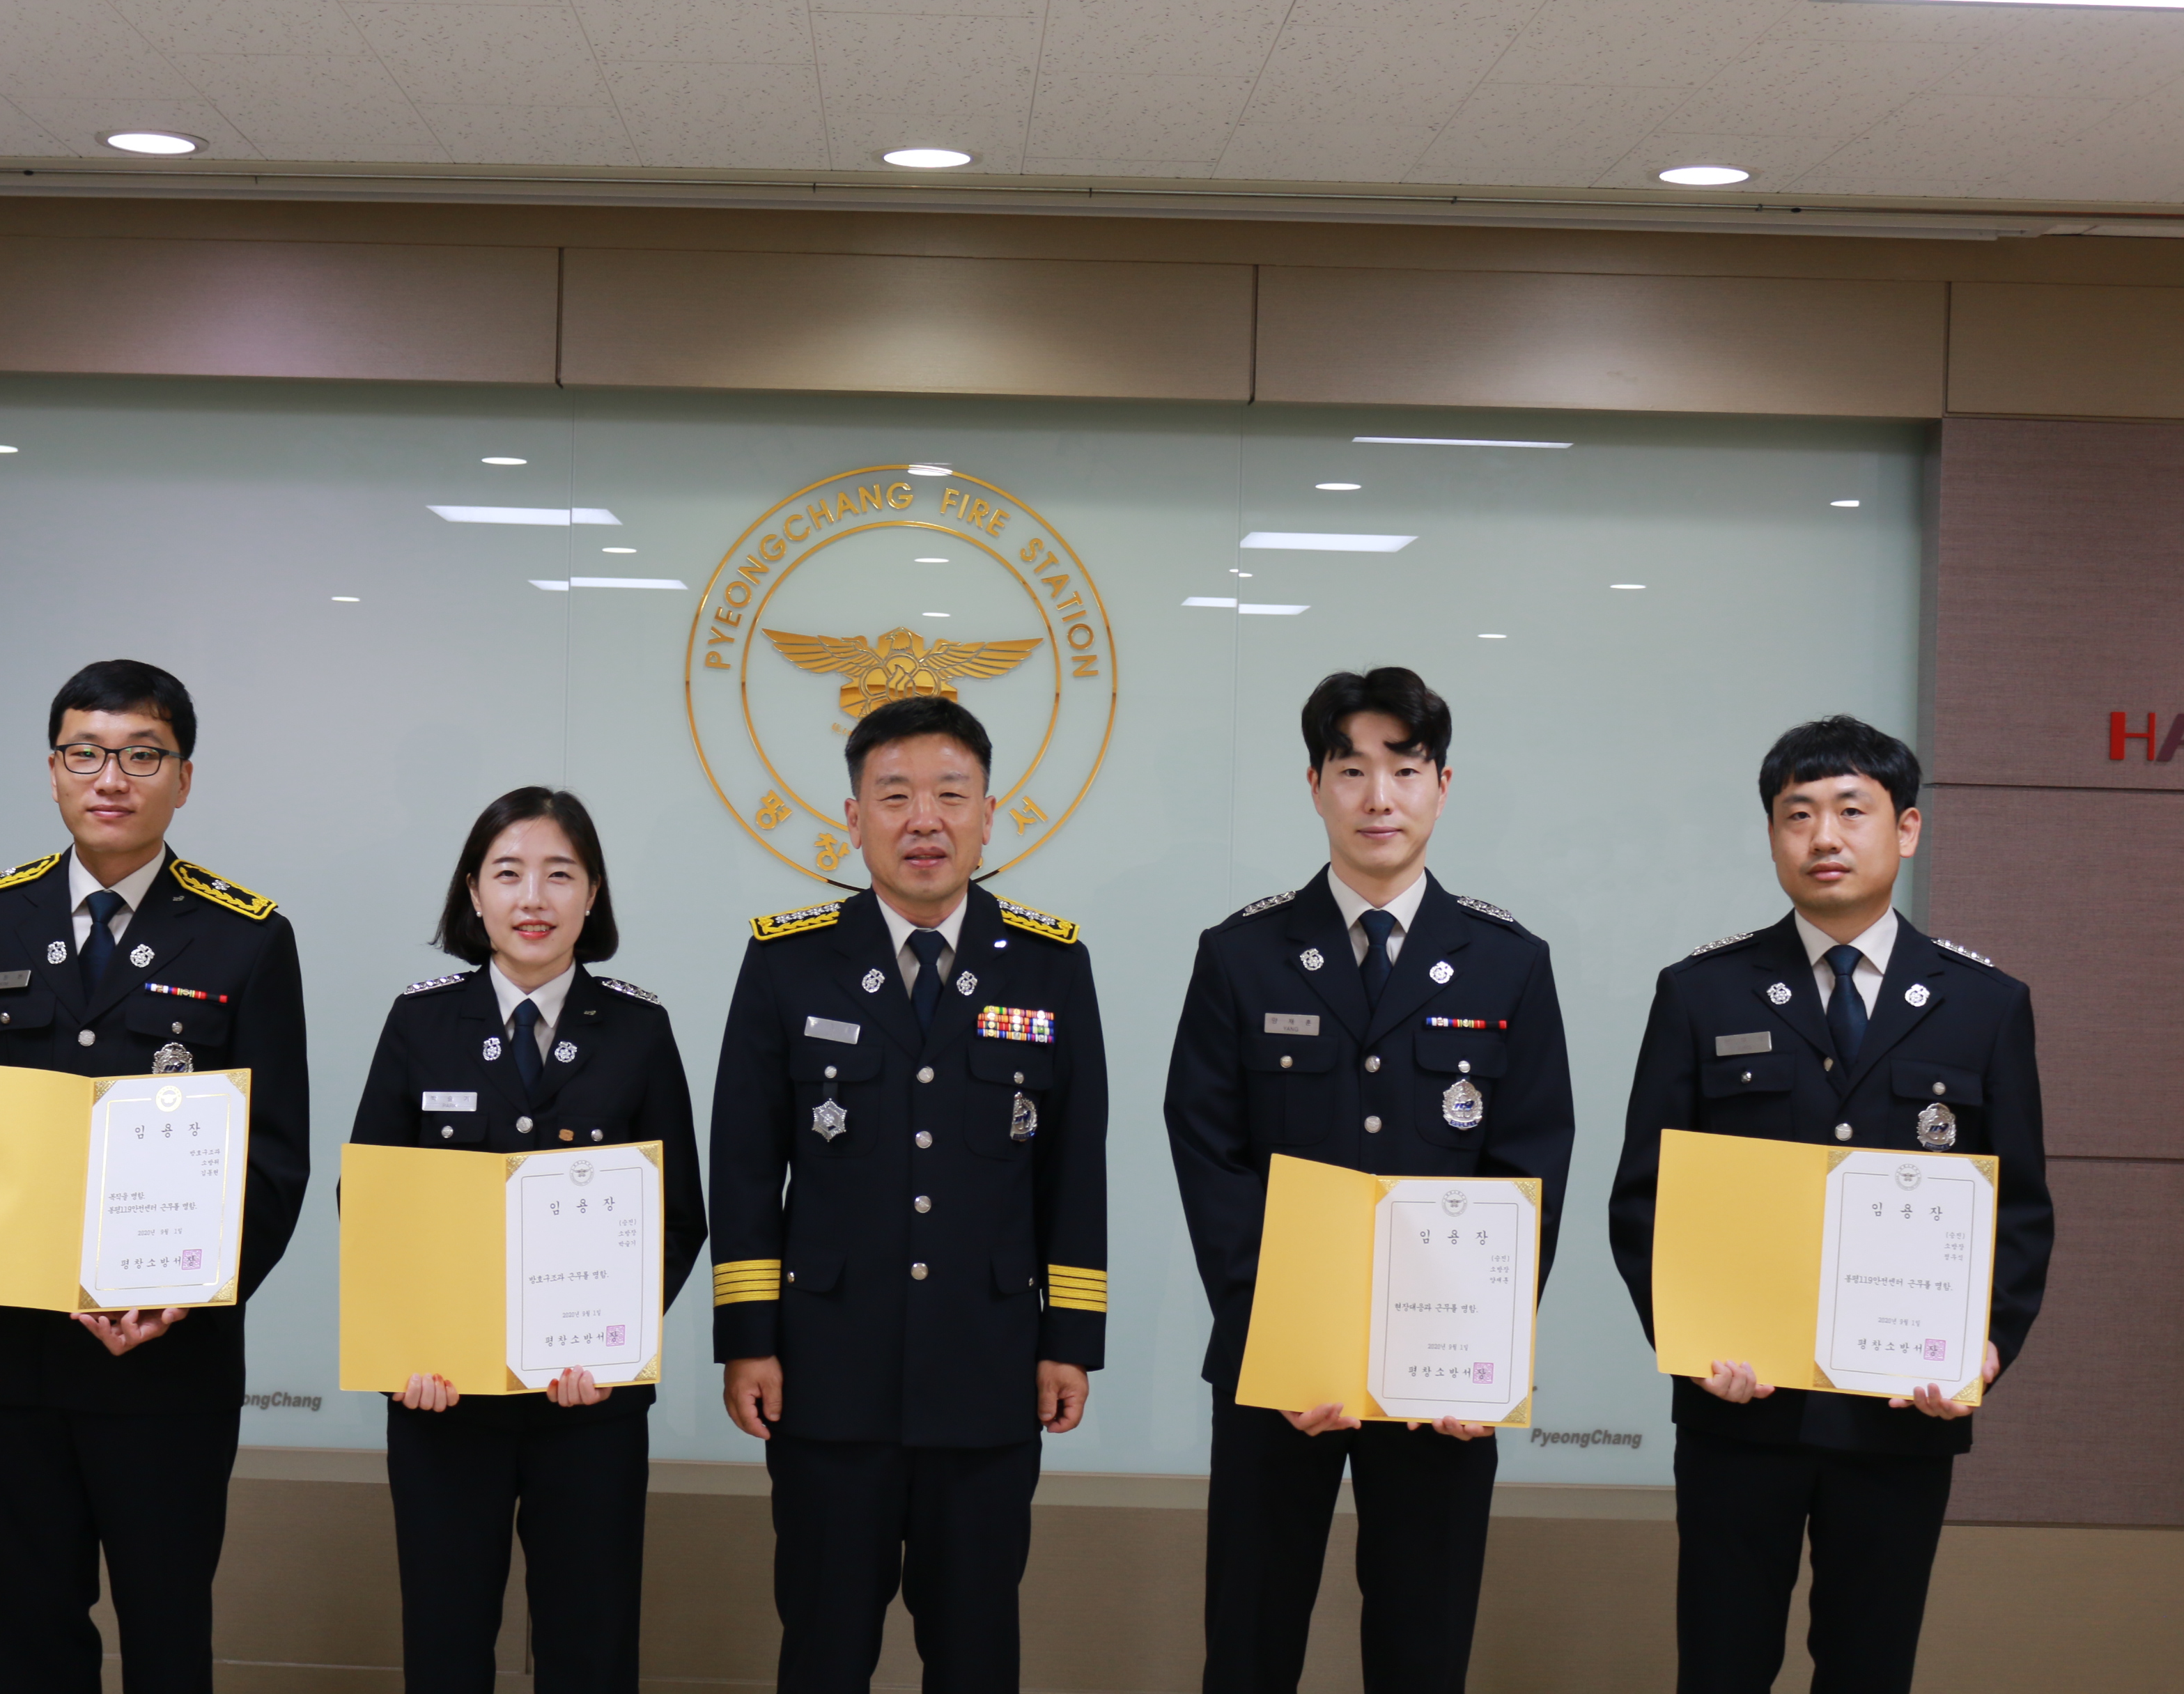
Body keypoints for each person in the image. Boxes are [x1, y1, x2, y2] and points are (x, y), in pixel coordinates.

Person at [0, 658, 311, 1694]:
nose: (110, 778)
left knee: (167, 1632)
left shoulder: (247, 937)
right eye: (86, 753)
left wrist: (183, 1295)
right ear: (53, 770)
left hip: (165, 1360)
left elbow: (274, 1159)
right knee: (32, 1631)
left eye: (141, 756)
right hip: (8, 1356)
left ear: (184, 778)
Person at [1608, 715, 2052, 1694]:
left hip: (1900, 1414)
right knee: (1721, 1665)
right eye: (1797, 814)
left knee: (1869, 1666)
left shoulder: (1985, 1005)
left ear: (1907, 829)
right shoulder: (1702, 993)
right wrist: (1689, 1339)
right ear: (1772, 836)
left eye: (1853, 810)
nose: (1824, 836)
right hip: (1739, 1409)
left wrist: (1984, 1345)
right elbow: (1646, 1198)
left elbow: (2018, 1209)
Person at [1163, 666, 1575, 1694]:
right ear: (1314, 786)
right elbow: (1210, 1153)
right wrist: (1281, 1335)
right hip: (1278, 1366)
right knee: (1251, 1637)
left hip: (1441, 1375)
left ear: (1443, 786)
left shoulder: (1509, 962)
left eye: (1405, 768)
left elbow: (1531, 1161)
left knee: (1422, 1642)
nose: (1378, 797)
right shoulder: (1242, 955)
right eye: (1351, 770)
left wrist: (1482, 1358)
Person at [708, 694, 1108, 1694]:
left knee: (976, 1656)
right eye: (894, 796)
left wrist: (1069, 1339)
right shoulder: (790, 960)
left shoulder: (1051, 965)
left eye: (950, 795)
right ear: (854, 819)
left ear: (989, 815)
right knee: (824, 1650)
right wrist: (749, 1338)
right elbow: (746, 1162)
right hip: (826, 1375)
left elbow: (1074, 1167)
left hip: (989, 1375)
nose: (923, 820)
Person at [347, 786, 706, 1693]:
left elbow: (677, 1217)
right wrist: (407, 1347)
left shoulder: (639, 1028)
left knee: (590, 1650)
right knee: (445, 1644)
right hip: (442, 1401)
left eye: (560, 874)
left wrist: (612, 1344)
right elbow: (372, 1202)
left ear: (594, 894)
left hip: (588, 1405)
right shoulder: (421, 1021)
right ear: (474, 893)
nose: (533, 898)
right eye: (508, 874)